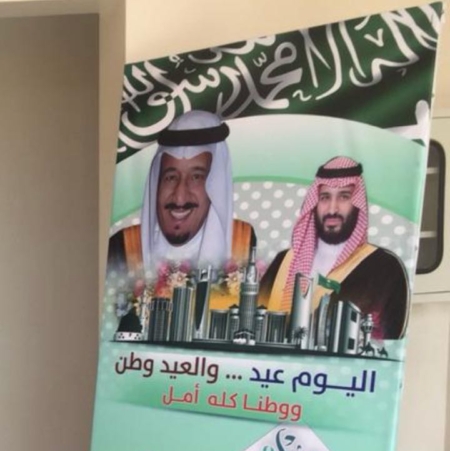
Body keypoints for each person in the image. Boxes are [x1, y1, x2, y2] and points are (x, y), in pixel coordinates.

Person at [259, 156, 409, 340]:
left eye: (344, 197)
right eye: (324, 197)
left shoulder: (385, 268)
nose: (332, 209)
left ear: (357, 204)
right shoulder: (282, 261)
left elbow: (388, 342)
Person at [107, 110, 254, 290]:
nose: (179, 197)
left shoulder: (242, 242)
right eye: (170, 177)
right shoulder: (124, 246)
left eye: (196, 177)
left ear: (216, 184)